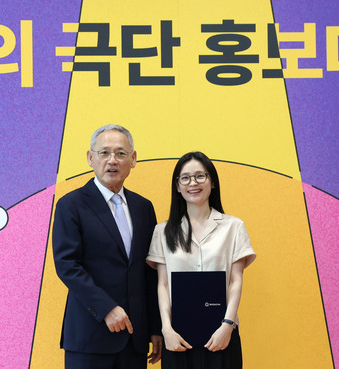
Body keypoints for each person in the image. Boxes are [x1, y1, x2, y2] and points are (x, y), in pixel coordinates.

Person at [52, 124, 162, 369]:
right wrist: (106, 309)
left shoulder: (143, 207)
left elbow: (149, 271)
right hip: (90, 337)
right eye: (104, 153)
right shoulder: (71, 205)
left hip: (135, 339)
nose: (112, 160)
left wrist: (155, 327)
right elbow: (67, 266)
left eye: (121, 153)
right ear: (90, 158)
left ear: (133, 159)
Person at [147, 151, 256, 369]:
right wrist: (166, 329)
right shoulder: (162, 231)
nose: (192, 183)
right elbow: (163, 284)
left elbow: (235, 280)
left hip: (221, 336)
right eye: (185, 178)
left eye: (200, 176)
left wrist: (227, 325)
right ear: (177, 186)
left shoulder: (233, 227)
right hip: (177, 338)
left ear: (212, 182)